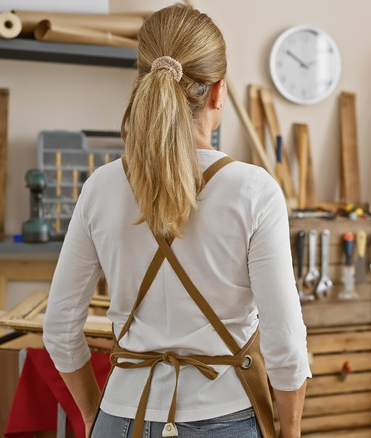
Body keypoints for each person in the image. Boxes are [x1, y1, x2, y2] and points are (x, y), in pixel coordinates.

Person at [42, 4, 311, 438]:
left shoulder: (101, 186)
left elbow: (58, 328)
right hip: (223, 419)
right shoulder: (254, 191)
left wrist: (96, 417)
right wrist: (291, 432)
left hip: (120, 416)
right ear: (219, 91)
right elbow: (285, 345)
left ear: (141, 83)